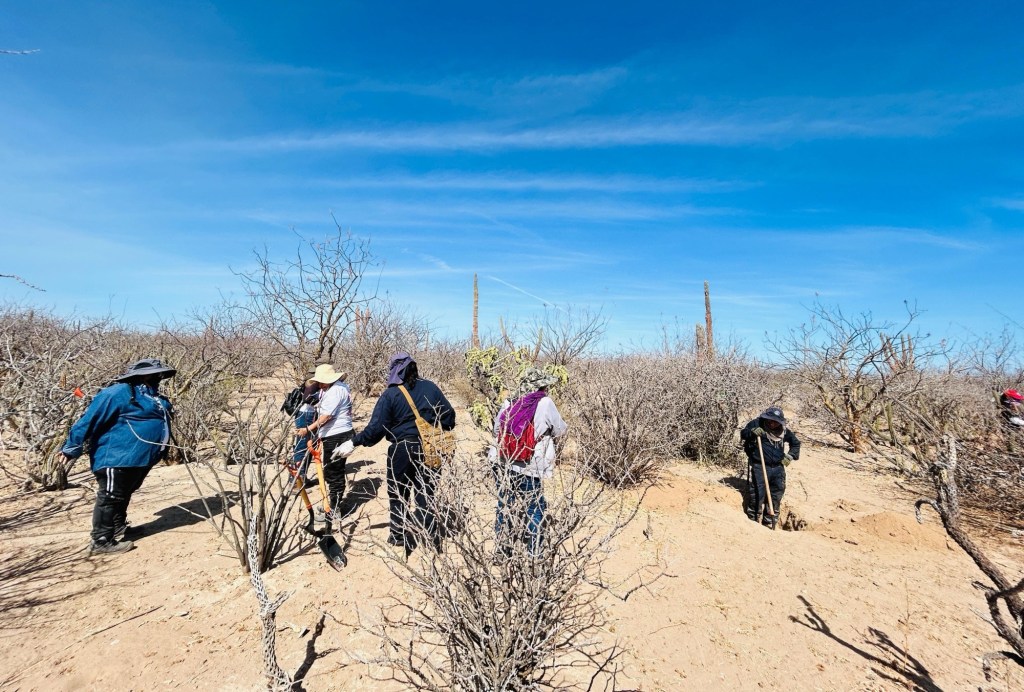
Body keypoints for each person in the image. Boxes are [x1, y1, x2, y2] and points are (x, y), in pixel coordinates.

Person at [61, 358, 176, 555]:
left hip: (140, 458)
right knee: (111, 495)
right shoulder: (117, 393)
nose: (157, 377)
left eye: (158, 373)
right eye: (153, 373)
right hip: (117, 456)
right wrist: (71, 448)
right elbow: (89, 420)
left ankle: (118, 527)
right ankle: (101, 540)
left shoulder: (152, 395)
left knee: (124, 491)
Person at [352, 352, 455, 554]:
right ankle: (430, 537)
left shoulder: (390, 394)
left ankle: (398, 535)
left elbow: (375, 431)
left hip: (402, 449)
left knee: (398, 493)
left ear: (395, 370)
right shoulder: (432, 387)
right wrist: (431, 427)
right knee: (426, 493)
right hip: (431, 448)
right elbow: (449, 418)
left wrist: (354, 441)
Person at [491, 367, 568, 556]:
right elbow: (560, 429)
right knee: (535, 505)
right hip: (530, 463)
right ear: (540, 386)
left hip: (503, 461)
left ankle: (502, 550)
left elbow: (496, 430)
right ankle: (534, 552)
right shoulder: (545, 402)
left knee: (504, 504)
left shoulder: (508, 401)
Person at [295, 364, 353, 525]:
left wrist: (308, 429)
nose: (319, 384)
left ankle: (334, 511)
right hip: (336, 434)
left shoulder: (335, 391)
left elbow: (326, 416)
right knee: (331, 471)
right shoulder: (340, 388)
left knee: (334, 473)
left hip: (337, 435)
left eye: (321, 381)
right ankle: (331, 505)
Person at [740, 406, 801, 528]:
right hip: (760, 466)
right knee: (757, 493)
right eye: (770, 420)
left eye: (776, 421)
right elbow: (743, 434)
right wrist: (752, 432)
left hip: (778, 467)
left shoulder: (783, 431)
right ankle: (753, 519)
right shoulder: (757, 423)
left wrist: (790, 456)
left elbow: (796, 443)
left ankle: (769, 521)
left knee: (776, 493)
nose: (773, 423)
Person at [291, 366, 322, 482]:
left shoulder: (311, 380)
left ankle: (302, 477)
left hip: (306, 414)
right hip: (306, 415)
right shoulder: (313, 381)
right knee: (302, 446)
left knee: (309, 446)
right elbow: (309, 399)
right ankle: (296, 481)